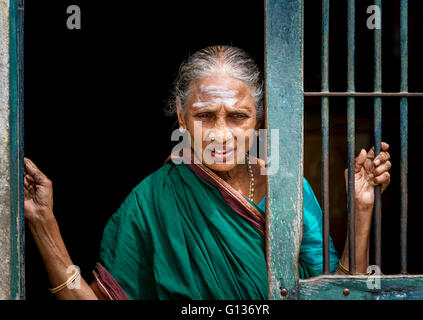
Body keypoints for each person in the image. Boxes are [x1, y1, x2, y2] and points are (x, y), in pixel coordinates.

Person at [24, 45, 392, 300]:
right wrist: (43, 220)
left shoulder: (287, 191)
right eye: (204, 116)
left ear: (258, 121)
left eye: (237, 116)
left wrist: (361, 211)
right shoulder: (153, 198)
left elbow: (337, 293)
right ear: (181, 118)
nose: (220, 132)